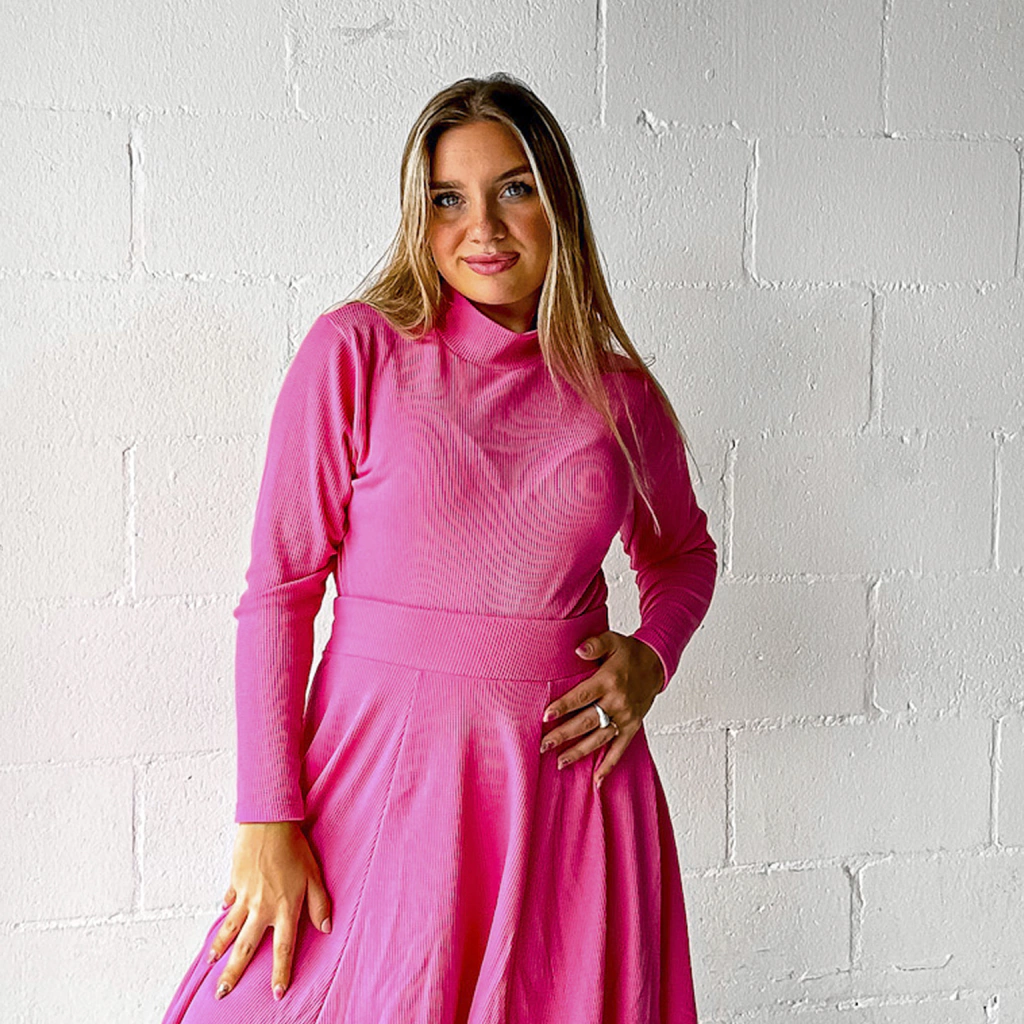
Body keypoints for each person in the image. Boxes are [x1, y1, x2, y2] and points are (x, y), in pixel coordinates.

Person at [160, 72, 718, 1024]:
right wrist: (267, 816)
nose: (483, 229)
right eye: (449, 199)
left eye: (514, 189)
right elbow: (281, 590)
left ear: (559, 203)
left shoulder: (619, 396)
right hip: (379, 777)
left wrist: (652, 657)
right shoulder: (356, 353)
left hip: (567, 798)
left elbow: (682, 556)